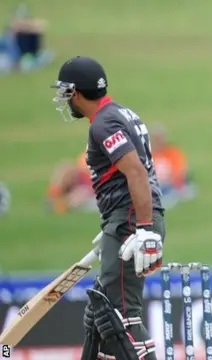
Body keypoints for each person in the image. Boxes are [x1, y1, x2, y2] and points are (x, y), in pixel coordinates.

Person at [51, 56, 165, 360]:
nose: (65, 100)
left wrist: (141, 230)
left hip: (131, 221)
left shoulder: (103, 123)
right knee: (99, 314)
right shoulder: (122, 114)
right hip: (127, 220)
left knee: (119, 319)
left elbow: (137, 172)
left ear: (76, 93)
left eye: (65, 92)